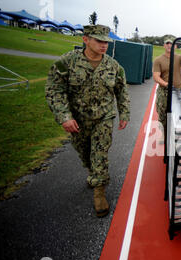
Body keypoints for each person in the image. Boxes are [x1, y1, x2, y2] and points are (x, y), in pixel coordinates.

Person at [45, 24, 130, 218]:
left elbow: (122, 91)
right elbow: (54, 90)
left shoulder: (114, 66)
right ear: (85, 39)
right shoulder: (66, 63)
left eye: (105, 42)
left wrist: (124, 113)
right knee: (85, 153)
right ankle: (93, 173)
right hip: (78, 120)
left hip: (104, 117)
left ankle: (99, 191)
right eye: (99, 41)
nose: (103, 45)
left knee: (99, 152)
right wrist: (65, 116)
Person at [153, 38, 181, 143]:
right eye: (167, 43)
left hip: (177, 91)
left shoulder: (178, 58)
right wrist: (166, 84)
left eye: (171, 44)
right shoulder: (158, 60)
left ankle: (175, 134)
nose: (169, 45)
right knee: (162, 114)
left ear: (175, 46)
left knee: (178, 113)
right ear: (164, 46)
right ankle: (164, 135)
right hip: (164, 91)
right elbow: (156, 76)